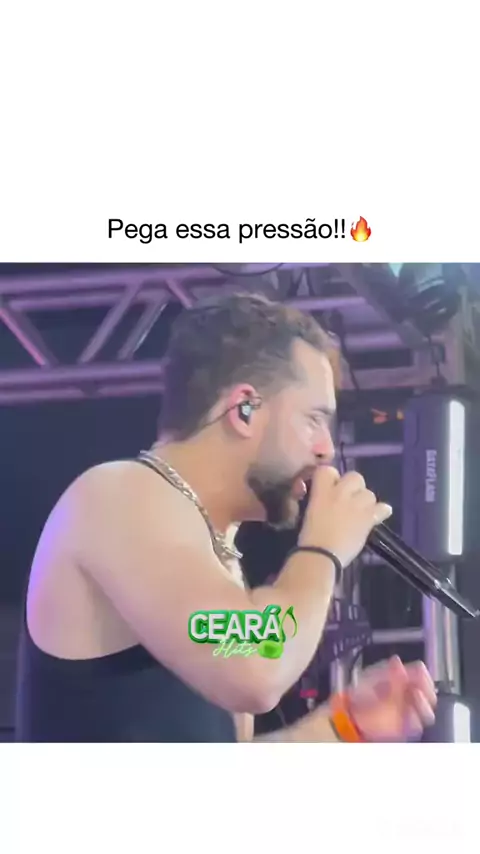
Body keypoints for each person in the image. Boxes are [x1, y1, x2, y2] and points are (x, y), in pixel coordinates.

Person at [15, 293, 436, 742]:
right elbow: (257, 667)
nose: (326, 450)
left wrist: (344, 727)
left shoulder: (215, 556)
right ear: (244, 410)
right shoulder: (120, 496)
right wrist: (323, 550)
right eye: (314, 419)